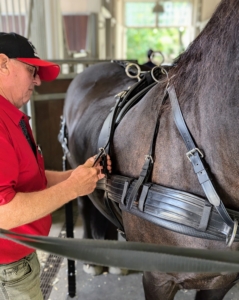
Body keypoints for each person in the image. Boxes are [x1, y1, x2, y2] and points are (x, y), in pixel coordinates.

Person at [0, 32, 111, 300]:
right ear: (3, 63)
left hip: (19, 258)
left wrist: (78, 175)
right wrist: (74, 188)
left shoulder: (12, 116)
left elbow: (31, 181)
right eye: (31, 70)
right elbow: (3, 213)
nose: (37, 80)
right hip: (8, 268)